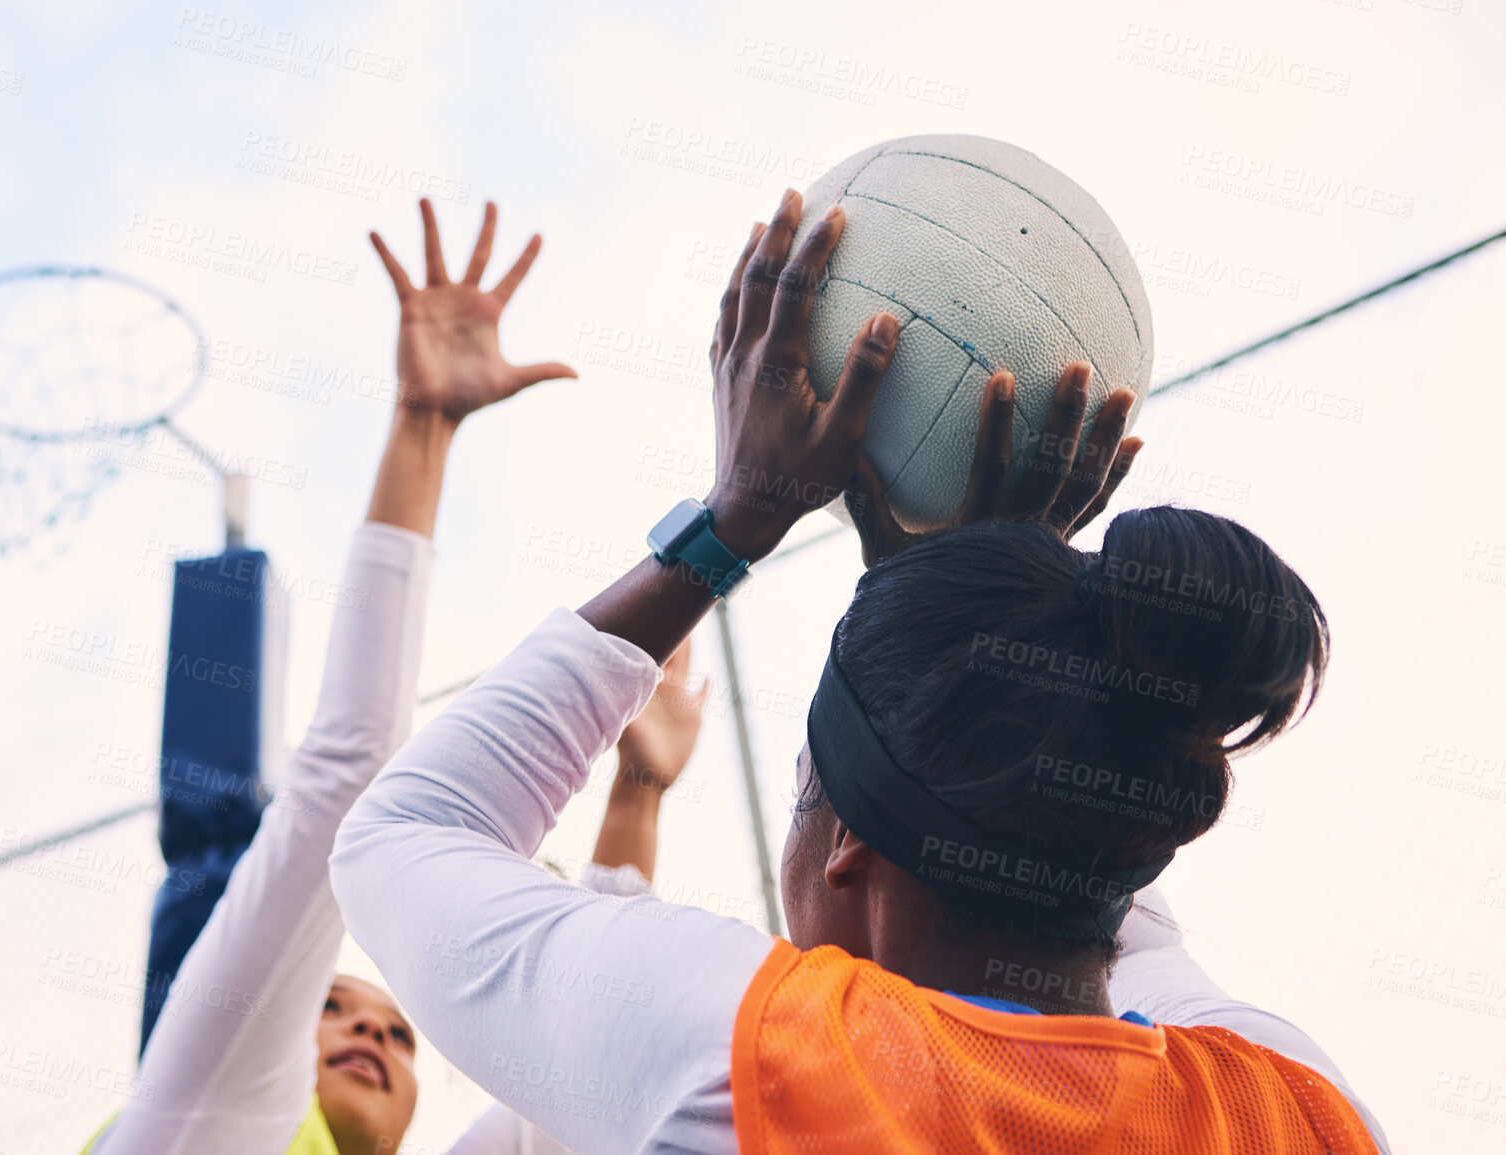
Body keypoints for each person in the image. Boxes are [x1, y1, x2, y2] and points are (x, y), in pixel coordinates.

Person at [330, 189, 1391, 1154]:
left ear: (845, 848)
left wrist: (732, 521)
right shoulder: (1299, 1110)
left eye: (809, 791)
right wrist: (972, 597)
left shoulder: (769, 1065)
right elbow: (1093, 870)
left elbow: (404, 833)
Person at [86, 197, 632, 1155]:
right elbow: (344, 780)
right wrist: (422, 426)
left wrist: (642, 787)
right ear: (270, 1032)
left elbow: (576, 1072)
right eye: (338, 1006)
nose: (373, 1034)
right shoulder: (209, 1118)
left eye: (397, 1034)